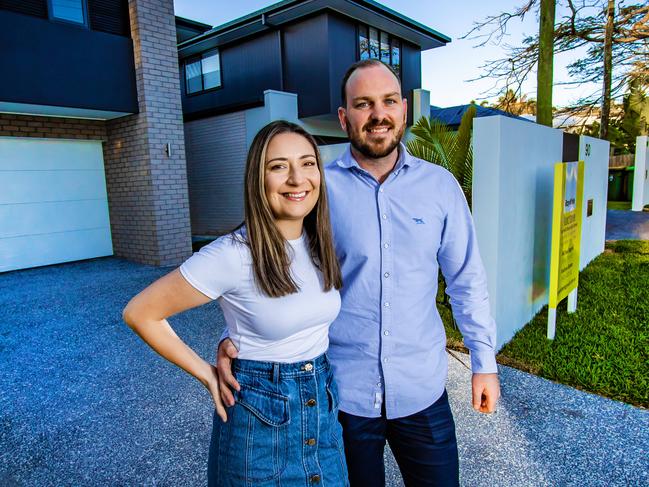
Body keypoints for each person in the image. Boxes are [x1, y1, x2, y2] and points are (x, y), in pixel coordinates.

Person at [217, 60, 500, 486]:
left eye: (388, 101)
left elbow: (467, 280)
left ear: (404, 110)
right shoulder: (316, 189)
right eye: (363, 104)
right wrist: (236, 337)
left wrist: (484, 362)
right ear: (344, 117)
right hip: (342, 396)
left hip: (422, 391)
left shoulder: (440, 188)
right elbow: (271, 265)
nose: (378, 114)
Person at [123, 120, 349, 486]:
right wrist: (207, 374)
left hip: (322, 412)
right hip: (260, 425)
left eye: (308, 163)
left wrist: (230, 337)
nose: (297, 178)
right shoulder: (231, 254)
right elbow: (141, 313)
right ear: (258, 180)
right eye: (279, 166)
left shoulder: (318, 243)